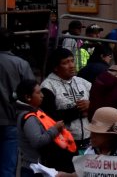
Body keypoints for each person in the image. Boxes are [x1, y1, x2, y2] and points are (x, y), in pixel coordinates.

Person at [16, 79, 73, 177]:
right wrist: (55, 129)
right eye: (38, 93)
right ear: (28, 97)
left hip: (38, 167)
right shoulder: (29, 117)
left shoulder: (35, 112)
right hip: (33, 169)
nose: (42, 95)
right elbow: (37, 141)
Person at [0, 28, 36, 177]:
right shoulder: (21, 64)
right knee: (8, 166)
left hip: (11, 121)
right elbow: (32, 92)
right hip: (12, 120)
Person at [40, 48, 91, 151]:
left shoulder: (83, 82)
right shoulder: (47, 87)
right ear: (56, 68)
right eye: (65, 63)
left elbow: (102, 103)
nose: (72, 65)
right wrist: (79, 112)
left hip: (87, 141)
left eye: (72, 61)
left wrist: (91, 105)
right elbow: (50, 117)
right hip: (62, 143)